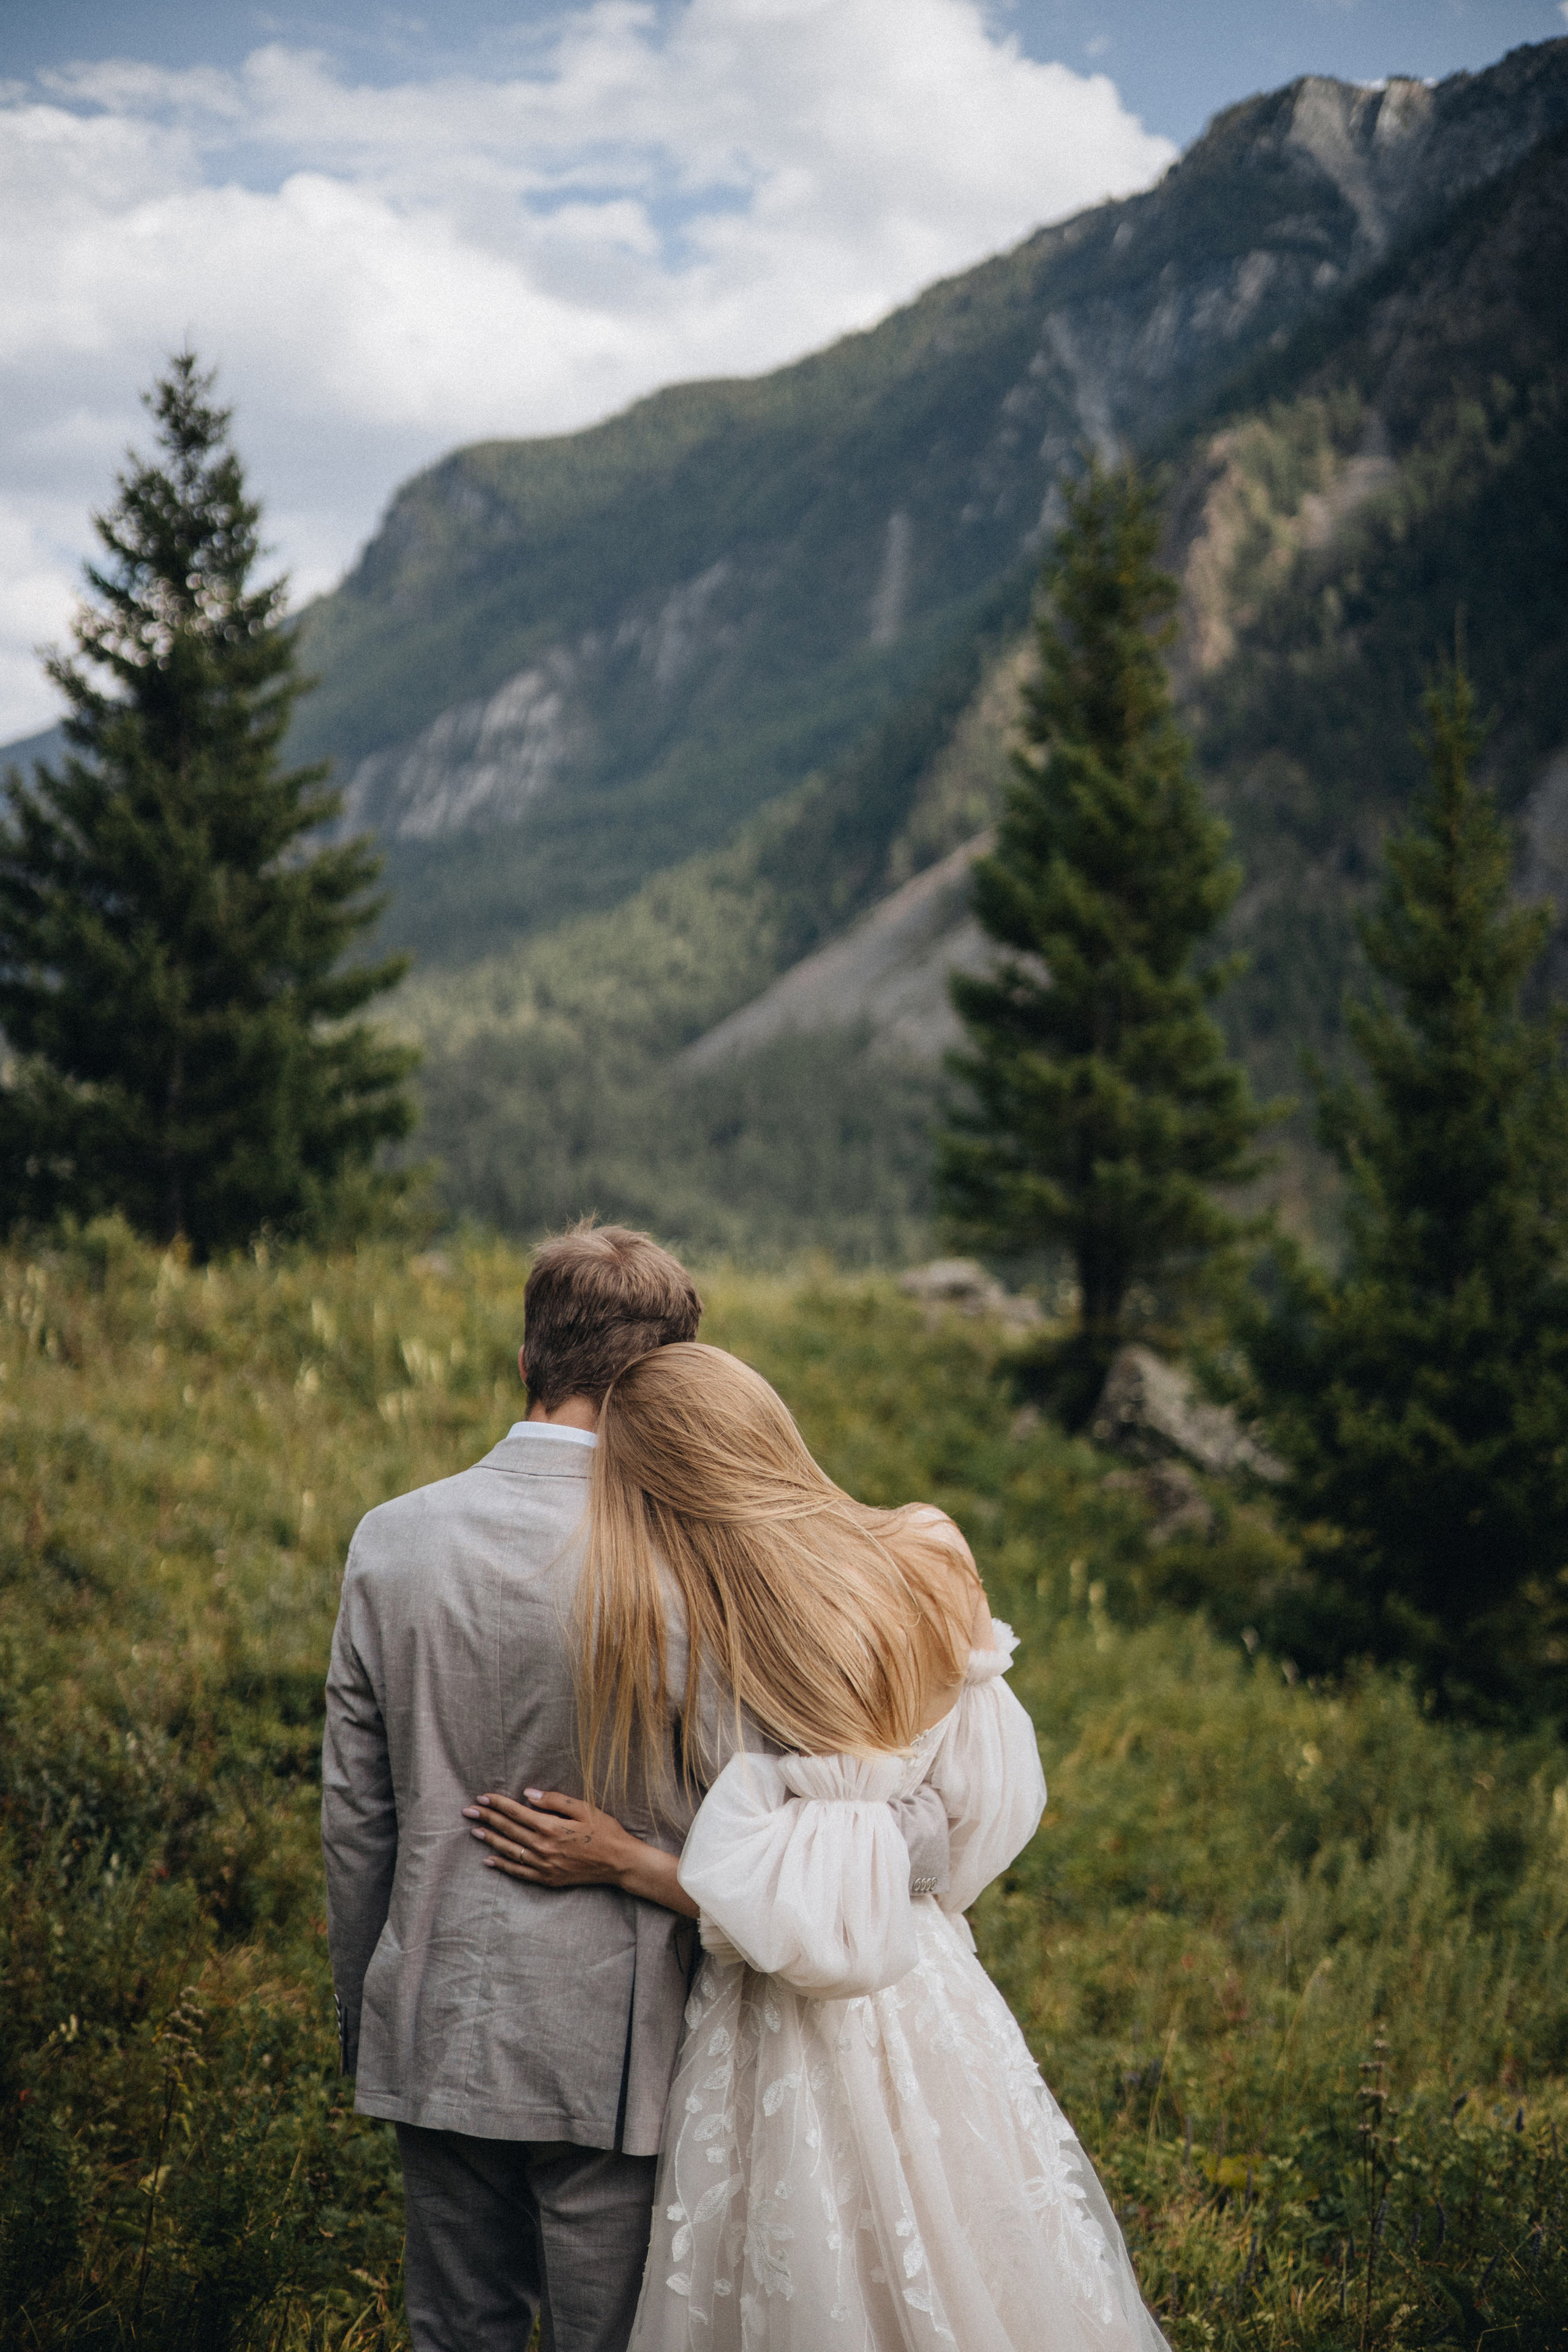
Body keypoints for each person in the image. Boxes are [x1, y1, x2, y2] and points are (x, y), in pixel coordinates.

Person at [466, 1341, 1170, 2352]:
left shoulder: (707, 1637)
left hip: (774, 2030)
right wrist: (908, 1874)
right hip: (927, 1983)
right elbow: (987, 1809)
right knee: (976, 2258)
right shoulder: (927, 1551)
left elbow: (784, 1902)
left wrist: (619, 1858)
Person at [321, 1223, 951, 2352]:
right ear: (668, 1379)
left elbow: (357, 1824)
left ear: (526, 1359)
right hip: (626, 2054)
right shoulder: (689, 1567)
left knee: (450, 2336)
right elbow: (793, 1820)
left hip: (431, 2018)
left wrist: (372, 2020)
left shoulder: (389, 1540)